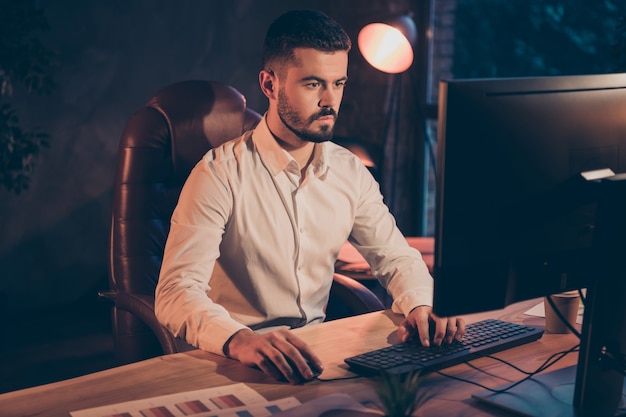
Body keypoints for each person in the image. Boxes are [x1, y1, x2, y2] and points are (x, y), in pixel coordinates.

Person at [155, 9, 465, 384]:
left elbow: (396, 258)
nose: (330, 101)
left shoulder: (350, 172)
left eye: (339, 83)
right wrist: (241, 340)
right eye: (313, 84)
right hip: (233, 359)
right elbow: (175, 292)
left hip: (316, 356)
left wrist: (422, 303)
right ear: (270, 85)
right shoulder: (218, 174)